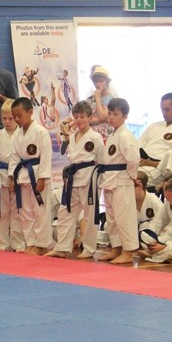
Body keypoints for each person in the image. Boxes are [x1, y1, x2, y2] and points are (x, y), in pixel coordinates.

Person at [47, 100, 104, 258]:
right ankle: (62, 247)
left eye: (82, 117)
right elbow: (66, 153)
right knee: (65, 213)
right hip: (72, 179)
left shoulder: (95, 137)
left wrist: (98, 182)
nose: (78, 120)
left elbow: (101, 161)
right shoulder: (71, 137)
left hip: (89, 179)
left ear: (90, 117)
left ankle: (89, 249)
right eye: (76, 117)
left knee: (89, 215)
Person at [95, 98, 141, 265]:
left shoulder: (125, 135)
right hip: (109, 179)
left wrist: (132, 176)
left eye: (116, 114)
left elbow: (133, 159)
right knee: (112, 217)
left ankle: (128, 251)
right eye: (109, 113)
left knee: (124, 217)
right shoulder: (114, 134)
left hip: (122, 179)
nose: (111, 117)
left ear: (125, 116)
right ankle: (116, 248)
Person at [8, 97, 53, 255]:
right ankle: (31, 243)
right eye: (14, 116)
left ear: (30, 112)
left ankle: (41, 244)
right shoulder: (17, 134)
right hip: (23, 176)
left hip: (37, 175)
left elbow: (46, 156)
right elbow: (14, 157)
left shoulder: (41, 132)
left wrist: (42, 178)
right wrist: (12, 178)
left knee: (40, 211)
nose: (17, 119)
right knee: (25, 212)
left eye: (19, 115)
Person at [0, 100, 23, 251]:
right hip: (1, 176)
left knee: (17, 212)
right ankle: (2, 243)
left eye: (11, 118)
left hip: (18, 177)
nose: (7, 122)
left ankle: (18, 243)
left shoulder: (22, 134)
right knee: (0, 212)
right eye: (4, 118)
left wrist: (15, 177)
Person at [138, 93, 172, 185]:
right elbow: (139, 146)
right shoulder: (154, 126)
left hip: (159, 171)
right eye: (162, 109)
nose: (164, 113)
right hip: (141, 164)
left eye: (167, 109)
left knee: (129, 180)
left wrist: (150, 163)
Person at [134, 170, 167, 250]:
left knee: (146, 235)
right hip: (134, 231)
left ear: (140, 185)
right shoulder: (128, 201)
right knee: (108, 226)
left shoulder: (153, 200)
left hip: (151, 232)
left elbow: (165, 222)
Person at [86, 65, 117, 140]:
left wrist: (97, 98)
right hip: (90, 136)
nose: (98, 84)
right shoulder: (90, 99)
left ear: (107, 82)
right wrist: (98, 120)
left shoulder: (112, 100)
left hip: (106, 136)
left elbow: (103, 117)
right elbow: (85, 118)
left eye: (101, 81)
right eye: (96, 81)